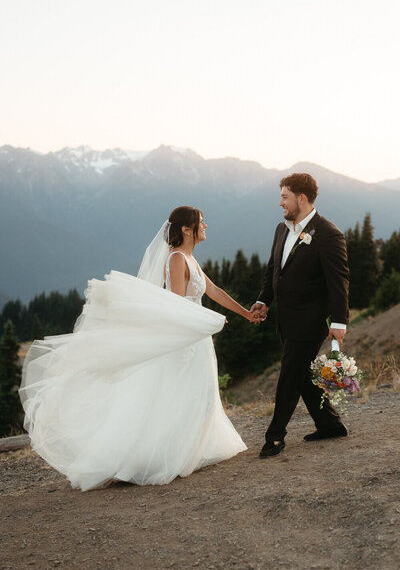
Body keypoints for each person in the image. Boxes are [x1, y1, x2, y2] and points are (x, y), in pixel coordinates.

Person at [20, 206, 255, 491]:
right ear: (186, 229)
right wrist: (206, 320)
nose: (206, 226)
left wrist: (246, 314)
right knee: (182, 393)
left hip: (199, 337)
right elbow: (176, 306)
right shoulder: (177, 259)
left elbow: (214, 291)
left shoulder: (191, 259)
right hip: (186, 340)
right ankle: (162, 456)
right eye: (201, 222)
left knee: (201, 393)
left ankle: (192, 449)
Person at [251, 174, 350, 458]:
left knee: (290, 373)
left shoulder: (329, 234)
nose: (280, 202)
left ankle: (275, 436)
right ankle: (329, 424)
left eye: (284, 196)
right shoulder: (282, 230)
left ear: (301, 198)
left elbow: (339, 282)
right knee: (302, 372)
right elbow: (273, 271)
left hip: (310, 321)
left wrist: (339, 322)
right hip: (285, 318)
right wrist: (262, 300)